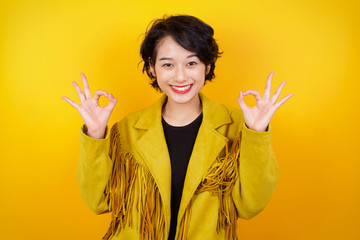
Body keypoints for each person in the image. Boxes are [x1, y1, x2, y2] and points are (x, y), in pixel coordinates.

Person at [62, 15, 293, 240]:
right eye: (168, 64)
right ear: (152, 68)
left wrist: (257, 134)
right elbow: (98, 202)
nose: (180, 76)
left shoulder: (238, 126)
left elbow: (250, 206)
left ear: (208, 66)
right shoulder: (127, 129)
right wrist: (95, 134)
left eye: (191, 63)